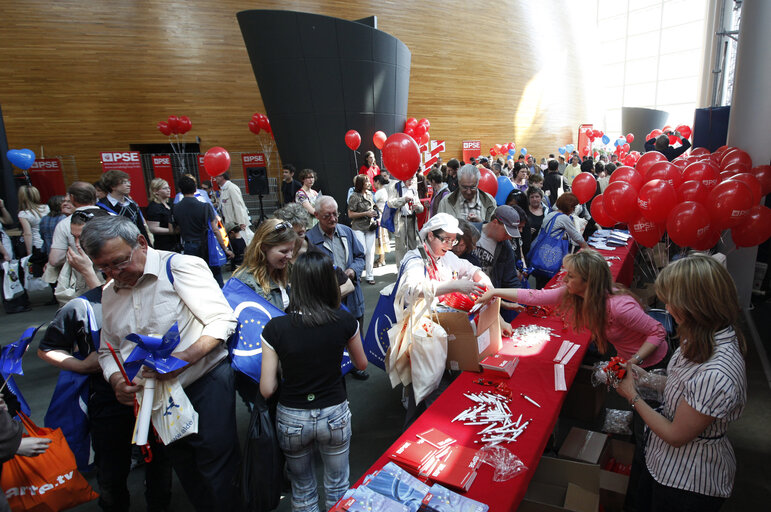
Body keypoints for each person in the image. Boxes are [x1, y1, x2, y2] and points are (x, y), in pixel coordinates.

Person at [80, 215, 241, 511]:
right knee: (185, 467)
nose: (114, 273)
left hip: (202, 383)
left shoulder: (180, 267)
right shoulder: (110, 293)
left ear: (141, 243)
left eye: (119, 262)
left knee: (217, 465)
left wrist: (185, 357)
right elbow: (108, 350)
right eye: (103, 267)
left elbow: (222, 320)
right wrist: (117, 380)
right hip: (154, 396)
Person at [617, 255, 746, 512]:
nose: (667, 310)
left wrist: (632, 395)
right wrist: (645, 377)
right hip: (660, 460)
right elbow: (683, 386)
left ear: (696, 306)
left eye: (672, 303)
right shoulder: (699, 337)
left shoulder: (716, 373)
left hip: (685, 482)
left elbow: (676, 435)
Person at [37, 284, 172, 512]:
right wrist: (79, 366)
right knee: (111, 468)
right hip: (107, 401)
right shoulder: (82, 306)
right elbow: (47, 348)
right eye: (110, 264)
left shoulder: (160, 294)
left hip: (156, 397)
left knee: (160, 463)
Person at [260, 251, 367, 512]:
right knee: (338, 486)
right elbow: (361, 364)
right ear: (328, 283)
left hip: (292, 417)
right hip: (334, 412)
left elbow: (267, 389)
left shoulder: (275, 328)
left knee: (302, 490)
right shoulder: (344, 321)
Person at [477, 249, 667, 366]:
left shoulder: (620, 307)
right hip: (628, 360)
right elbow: (536, 297)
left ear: (588, 282)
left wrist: (634, 361)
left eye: (571, 276)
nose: (565, 280)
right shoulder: (573, 292)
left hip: (651, 361)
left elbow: (658, 331)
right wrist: (495, 292)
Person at [395, 213, 494, 426]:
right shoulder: (415, 259)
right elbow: (412, 290)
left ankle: (418, 423)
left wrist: (482, 279)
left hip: (443, 326)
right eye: (445, 239)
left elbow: (469, 268)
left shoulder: (445, 255)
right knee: (427, 384)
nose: (450, 245)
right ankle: (418, 430)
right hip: (422, 332)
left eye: (453, 240)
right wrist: (454, 286)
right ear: (430, 235)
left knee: (429, 384)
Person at [306, 196, 369, 381]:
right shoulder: (309, 239)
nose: (333, 219)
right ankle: (335, 366)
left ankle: (356, 364)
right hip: (327, 298)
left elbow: (360, 257)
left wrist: (353, 270)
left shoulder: (346, 232)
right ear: (317, 215)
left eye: (335, 214)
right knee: (330, 334)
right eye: (327, 216)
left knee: (355, 327)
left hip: (352, 293)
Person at [173, 176, 232, 287]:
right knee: (215, 275)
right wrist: (225, 248)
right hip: (207, 246)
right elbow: (215, 230)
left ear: (180, 189)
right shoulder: (205, 207)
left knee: (195, 278)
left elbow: (175, 229)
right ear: (195, 188)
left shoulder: (176, 208)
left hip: (188, 246)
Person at [471, 206, 524, 322]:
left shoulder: (505, 247)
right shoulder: (470, 232)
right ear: (495, 222)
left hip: (489, 300)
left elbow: (510, 280)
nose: (509, 237)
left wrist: (526, 299)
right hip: (466, 297)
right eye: (506, 232)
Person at [97, 170, 151, 242]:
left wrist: (148, 246)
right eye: (124, 182)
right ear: (113, 186)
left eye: (128, 182)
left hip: (137, 243)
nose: (129, 184)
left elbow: (141, 228)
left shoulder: (132, 204)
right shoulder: (102, 206)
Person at [386, 174, 424, 266]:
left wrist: (418, 207)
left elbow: (420, 207)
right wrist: (403, 200)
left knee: (413, 245)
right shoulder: (395, 186)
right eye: (409, 179)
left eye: (412, 179)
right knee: (400, 247)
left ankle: (413, 267)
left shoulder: (413, 189)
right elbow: (390, 203)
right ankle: (401, 269)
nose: (411, 181)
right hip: (400, 220)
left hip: (411, 220)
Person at [347, 175, 378, 285]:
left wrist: (375, 215)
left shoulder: (370, 194)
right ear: (361, 184)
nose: (369, 183)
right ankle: (357, 273)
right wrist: (366, 213)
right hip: (358, 227)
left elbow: (373, 207)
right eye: (366, 181)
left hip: (370, 226)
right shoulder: (354, 196)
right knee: (362, 251)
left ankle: (370, 276)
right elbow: (350, 214)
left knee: (370, 251)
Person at [214, 172, 253, 245]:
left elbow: (239, 205)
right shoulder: (224, 190)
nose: (215, 179)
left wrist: (241, 222)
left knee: (244, 243)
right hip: (231, 225)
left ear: (222, 177)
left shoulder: (232, 188)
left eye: (216, 176)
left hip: (237, 225)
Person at [17, 185, 50, 260]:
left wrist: (29, 253)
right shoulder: (47, 208)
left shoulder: (23, 214)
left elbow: (27, 234)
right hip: (50, 244)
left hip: (37, 245)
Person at [145, 178, 180, 252]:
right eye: (165, 188)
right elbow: (153, 228)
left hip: (175, 243)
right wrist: (171, 231)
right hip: (164, 245)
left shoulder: (169, 204)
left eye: (168, 188)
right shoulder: (154, 207)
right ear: (155, 191)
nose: (168, 190)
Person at [372, 175, 390, 267]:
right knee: (382, 238)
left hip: (379, 218)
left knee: (379, 239)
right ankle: (382, 258)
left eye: (374, 182)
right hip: (383, 217)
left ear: (377, 182)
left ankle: (381, 259)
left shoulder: (379, 192)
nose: (373, 184)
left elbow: (372, 201)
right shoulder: (383, 191)